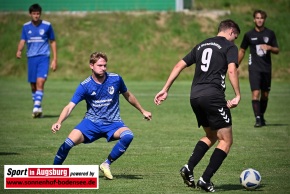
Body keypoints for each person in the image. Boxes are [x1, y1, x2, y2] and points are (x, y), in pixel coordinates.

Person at [154, 19, 241, 192]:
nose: (234, 41)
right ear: (231, 31)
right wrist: (238, 94)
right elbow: (232, 70)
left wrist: (165, 89)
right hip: (213, 96)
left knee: (211, 135)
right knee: (226, 140)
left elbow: (179, 64)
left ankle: (188, 167)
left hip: (195, 96)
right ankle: (205, 179)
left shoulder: (201, 45)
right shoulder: (229, 46)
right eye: (235, 37)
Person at [51, 52, 152, 180]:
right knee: (67, 144)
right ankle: (53, 173)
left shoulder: (116, 79)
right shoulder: (85, 85)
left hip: (113, 123)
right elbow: (70, 106)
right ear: (91, 66)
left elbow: (128, 95)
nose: (103, 68)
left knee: (128, 136)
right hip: (91, 123)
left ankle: (106, 164)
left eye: (105, 65)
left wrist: (142, 110)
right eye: (100, 65)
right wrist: (59, 121)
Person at [238, 10, 279, 127]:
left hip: (266, 68)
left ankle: (261, 116)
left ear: (264, 19)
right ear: (254, 19)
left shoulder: (270, 34)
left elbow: (277, 50)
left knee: (265, 95)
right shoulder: (249, 35)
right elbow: (242, 50)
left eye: (261, 18)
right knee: (255, 93)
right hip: (254, 68)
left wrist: (270, 47)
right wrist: (236, 64)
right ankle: (257, 119)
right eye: (257, 18)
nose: (259, 20)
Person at [16, 3, 57, 118]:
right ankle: (38, 108)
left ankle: (36, 107)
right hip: (31, 58)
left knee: (40, 82)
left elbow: (53, 42)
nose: (36, 16)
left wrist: (54, 59)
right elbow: (22, 40)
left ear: (40, 14)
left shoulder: (47, 26)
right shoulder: (26, 27)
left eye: (38, 13)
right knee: (33, 85)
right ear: (30, 14)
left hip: (43, 57)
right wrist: (19, 50)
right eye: (34, 14)